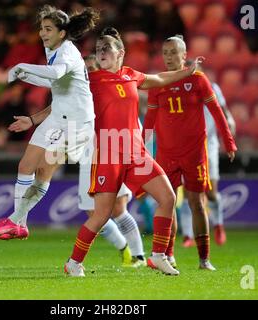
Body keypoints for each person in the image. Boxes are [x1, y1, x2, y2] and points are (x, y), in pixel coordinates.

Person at [64, 27, 203, 277]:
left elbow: (159, 79)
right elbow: (61, 103)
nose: (101, 52)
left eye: (107, 48)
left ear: (121, 53)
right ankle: (73, 262)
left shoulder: (131, 75)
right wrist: (33, 120)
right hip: (108, 155)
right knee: (101, 215)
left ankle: (158, 255)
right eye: (98, 49)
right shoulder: (90, 81)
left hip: (136, 154)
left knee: (168, 198)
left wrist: (187, 71)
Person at [0, 4, 100, 239]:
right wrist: (28, 80)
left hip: (76, 126)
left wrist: (21, 67)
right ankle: (20, 224)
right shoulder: (53, 49)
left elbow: (56, 74)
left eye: (48, 29)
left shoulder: (67, 51)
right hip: (58, 117)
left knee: (42, 172)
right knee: (28, 168)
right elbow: (58, 84)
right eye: (41, 28)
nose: (43, 33)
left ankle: (15, 221)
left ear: (62, 32)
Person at [142, 35, 237, 271]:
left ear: (185, 55)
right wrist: (141, 145)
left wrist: (228, 141)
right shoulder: (158, 82)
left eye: (174, 52)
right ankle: (169, 255)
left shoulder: (198, 79)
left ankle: (204, 259)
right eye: (165, 53)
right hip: (166, 154)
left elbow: (217, 112)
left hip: (194, 153)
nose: (169, 57)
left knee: (197, 202)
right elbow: (151, 118)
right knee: (167, 202)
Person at [80, 54, 146, 268]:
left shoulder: (114, 91)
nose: (89, 73)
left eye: (92, 68)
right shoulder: (81, 95)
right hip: (89, 157)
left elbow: (133, 121)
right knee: (93, 213)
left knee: (118, 208)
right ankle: (124, 248)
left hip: (114, 154)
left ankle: (139, 255)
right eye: (86, 69)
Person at [180, 67, 236, 247]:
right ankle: (188, 235)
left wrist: (229, 130)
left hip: (209, 144)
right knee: (190, 193)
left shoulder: (212, 87)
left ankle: (218, 225)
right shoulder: (178, 89)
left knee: (211, 193)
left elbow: (224, 112)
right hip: (188, 145)